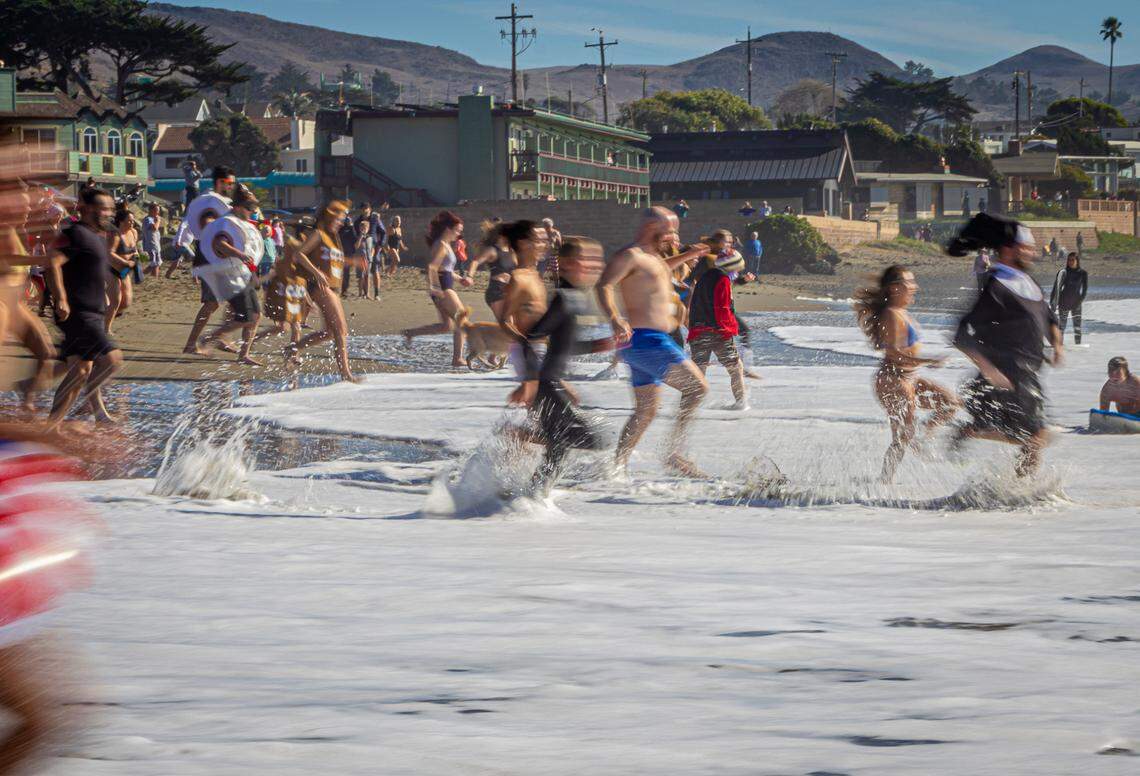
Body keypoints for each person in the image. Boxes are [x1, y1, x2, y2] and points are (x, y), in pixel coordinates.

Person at [596, 206, 710, 476]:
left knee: (646, 411)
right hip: (646, 340)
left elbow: (660, 270)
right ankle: (674, 452)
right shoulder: (630, 256)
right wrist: (614, 317)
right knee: (697, 389)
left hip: (643, 342)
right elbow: (604, 285)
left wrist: (690, 254)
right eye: (671, 232)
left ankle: (616, 467)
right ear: (653, 229)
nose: (674, 238)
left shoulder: (652, 258)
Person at [947, 213, 1063, 477]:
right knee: (1037, 435)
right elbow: (961, 334)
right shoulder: (996, 285)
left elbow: (1048, 317)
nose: (1033, 253)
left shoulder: (1027, 282)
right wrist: (989, 370)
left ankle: (975, 433)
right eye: (1027, 248)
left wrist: (1057, 345)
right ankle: (1021, 490)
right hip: (1007, 375)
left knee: (1031, 437)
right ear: (1009, 250)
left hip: (1026, 374)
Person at [507, 237, 613, 495]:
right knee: (597, 438)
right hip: (547, 385)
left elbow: (564, 345)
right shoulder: (565, 298)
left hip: (551, 383)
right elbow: (530, 337)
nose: (592, 266)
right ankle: (518, 436)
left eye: (596, 261)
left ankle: (528, 499)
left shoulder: (575, 297)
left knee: (558, 452)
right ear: (566, 264)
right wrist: (529, 381)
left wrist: (598, 345)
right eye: (585, 260)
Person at [854, 265, 959, 482]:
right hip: (893, 379)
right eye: (909, 283)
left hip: (909, 377)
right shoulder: (892, 315)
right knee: (903, 435)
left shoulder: (902, 312)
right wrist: (927, 361)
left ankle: (923, 436)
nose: (915, 287)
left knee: (950, 403)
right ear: (894, 288)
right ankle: (884, 481)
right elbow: (895, 355)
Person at [44, 187, 124, 431]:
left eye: (111, 209)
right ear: (85, 209)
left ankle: (50, 428)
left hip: (93, 312)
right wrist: (60, 298)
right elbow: (52, 263)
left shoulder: (97, 237)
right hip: (78, 313)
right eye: (103, 209)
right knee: (112, 359)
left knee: (79, 370)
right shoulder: (74, 233)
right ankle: (90, 398)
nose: (108, 214)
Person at [287, 200, 359, 381]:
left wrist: (353, 262)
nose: (341, 223)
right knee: (341, 331)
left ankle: (292, 348)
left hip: (332, 288)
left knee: (328, 333)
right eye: (339, 219)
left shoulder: (332, 239)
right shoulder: (318, 234)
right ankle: (346, 374)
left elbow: (333, 262)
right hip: (320, 287)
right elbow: (299, 255)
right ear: (330, 217)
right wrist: (316, 272)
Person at [195, 185, 264, 366]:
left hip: (242, 274)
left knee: (256, 316)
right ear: (238, 207)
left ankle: (244, 354)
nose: (252, 212)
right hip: (229, 276)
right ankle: (207, 338)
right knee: (246, 318)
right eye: (249, 209)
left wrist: (253, 272)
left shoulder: (242, 224)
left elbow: (249, 250)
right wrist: (240, 255)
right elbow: (220, 244)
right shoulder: (227, 222)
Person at [401, 211, 473, 367]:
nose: (459, 234)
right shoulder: (441, 244)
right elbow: (432, 267)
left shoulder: (446, 244)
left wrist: (460, 279)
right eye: (458, 230)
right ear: (448, 229)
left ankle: (411, 333)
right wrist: (434, 288)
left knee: (447, 326)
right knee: (462, 319)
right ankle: (457, 359)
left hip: (443, 286)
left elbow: (445, 269)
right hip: (443, 288)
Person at [686, 233, 749, 411]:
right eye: (739, 268)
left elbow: (695, 305)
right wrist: (731, 328)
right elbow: (722, 309)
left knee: (698, 371)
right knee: (736, 368)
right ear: (733, 266)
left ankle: (689, 406)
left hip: (698, 331)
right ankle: (741, 403)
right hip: (717, 332)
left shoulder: (705, 277)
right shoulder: (722, 280)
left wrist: (693, 329)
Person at [181, 165, 237, 355]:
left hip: (219, 258)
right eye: (229, 183)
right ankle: (190, 344)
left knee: (232, 298)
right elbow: (206, 228)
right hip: (209, 259)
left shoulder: (222, 202)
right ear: (220, 182)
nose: (231, 186)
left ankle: (221, 337)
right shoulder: (211, 204)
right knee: (212, 303)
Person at [466, 219, 512, 321]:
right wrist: (469, 276)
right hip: (497, 290)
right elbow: (476, 262)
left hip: (510, 290)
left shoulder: (510, 250)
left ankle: (491, 336)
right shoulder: (492, 250)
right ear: (501, 235)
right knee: (507, 324)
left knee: (513, 325)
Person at [104, 210, 139, 334]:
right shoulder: (115, 234)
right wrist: (126, 262)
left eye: (133, 220)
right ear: (121, 221)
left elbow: (134, 249)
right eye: (129, 220)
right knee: (116, 300)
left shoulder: (134, 233)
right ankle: (106, 329)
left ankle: (105, 316)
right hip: (111, 269)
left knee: (126, 302)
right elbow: (110, 253)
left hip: (124, 271)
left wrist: (137, 255)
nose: (132, 223)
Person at [1049, 252, 1089, 345]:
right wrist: (1054, 301)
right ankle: (1059, 345)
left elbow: (1084, 291)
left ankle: (1078, 345)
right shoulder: (1064, 272)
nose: (1070, 262)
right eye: (1069, 260)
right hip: (1064, 302)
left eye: (1072, 260)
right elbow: (1057, 287)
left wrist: (1079, 301)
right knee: (1061, 327)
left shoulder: (1083, 273)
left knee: (1077, 327)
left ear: (1077, 261)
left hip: (1076, 303)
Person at [140, 202, 163, 278]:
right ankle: (140, 276)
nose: (158, 212)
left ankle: (152, 278)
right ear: (151, 210)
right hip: (151, 244)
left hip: (154, 244)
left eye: (158, 210)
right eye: (156, 210)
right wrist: (158, 221)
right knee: (155, 263)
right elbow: (154, 228)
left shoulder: (152, 219)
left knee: (155, 263)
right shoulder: (148, 219)